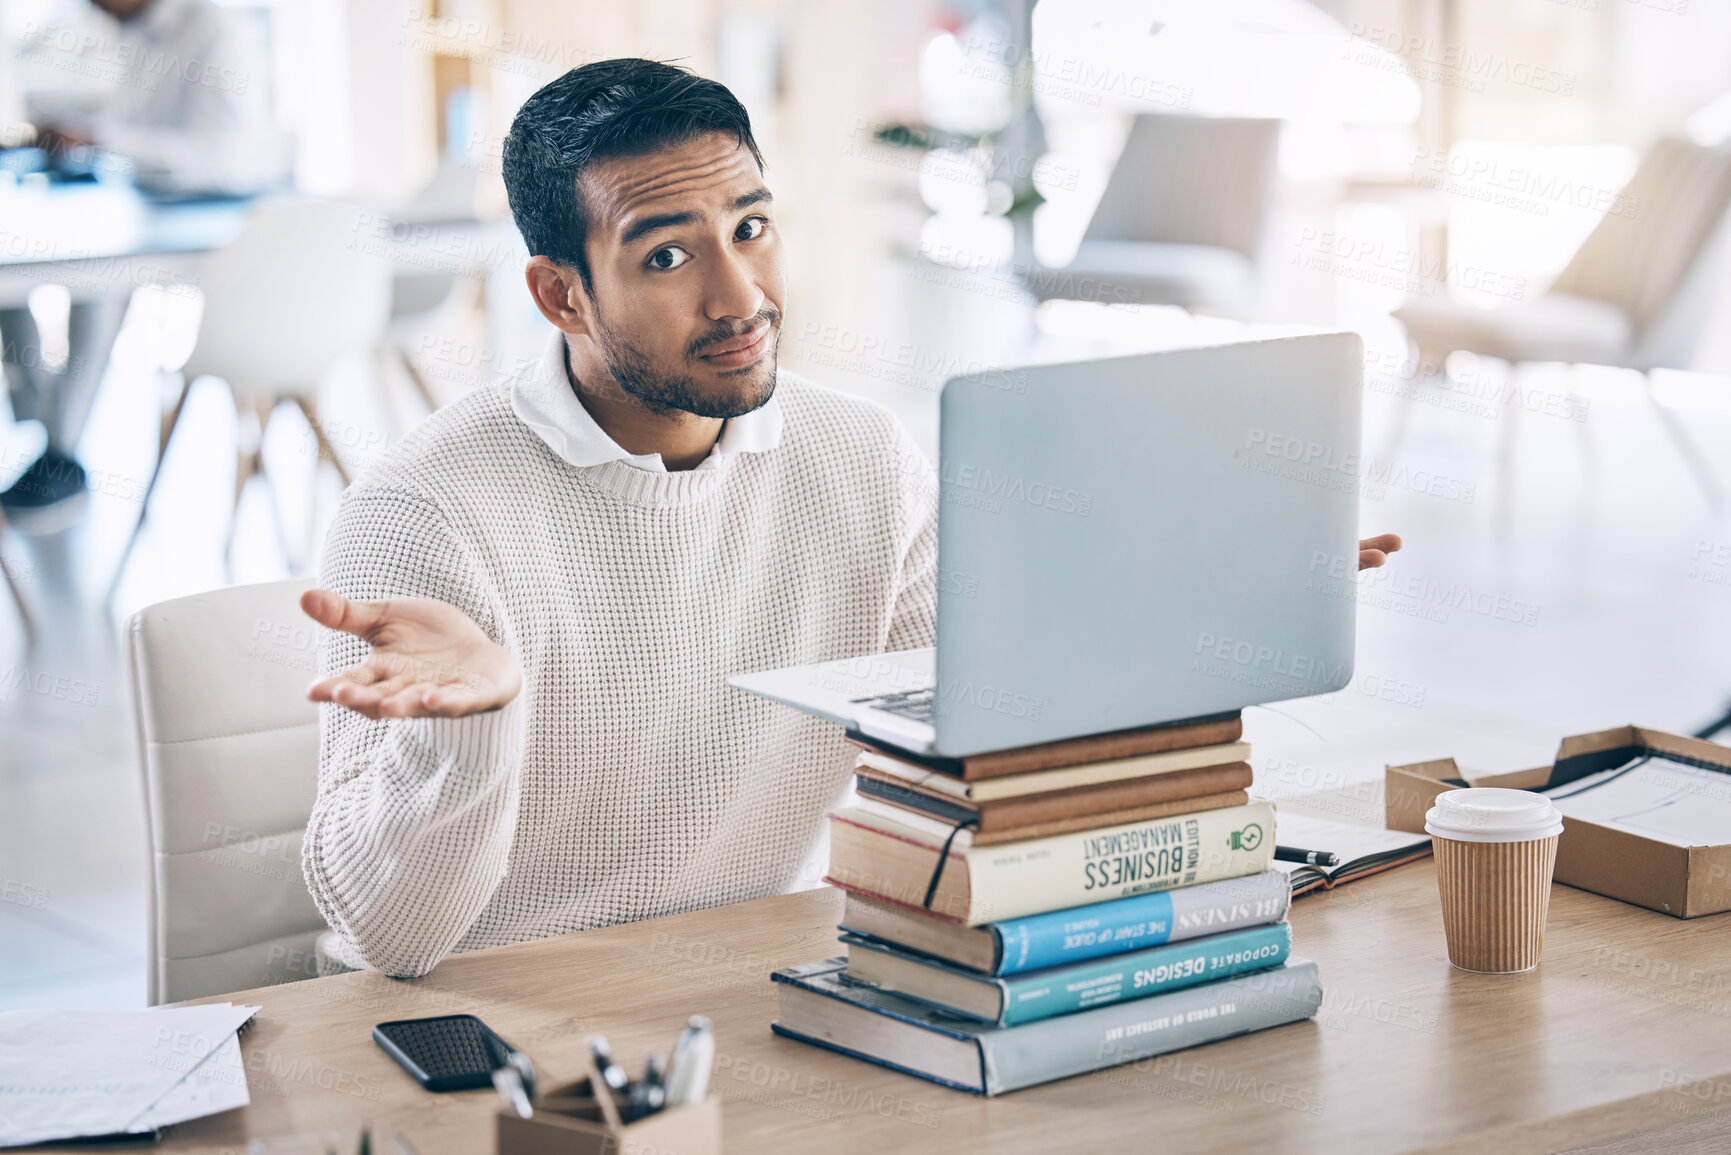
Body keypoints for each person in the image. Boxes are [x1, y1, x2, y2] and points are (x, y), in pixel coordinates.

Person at [298, 58, 1403, 979]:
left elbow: (972, 717)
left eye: (753, 227)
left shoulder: (856, 454)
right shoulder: (424, 516)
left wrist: (1181, 609)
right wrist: (475, 730)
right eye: (669, 256)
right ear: (562, 295)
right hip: (491, 1020)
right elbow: (389, 938)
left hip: (742, 983)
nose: (740, 299)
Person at [0, 0, 289, 529]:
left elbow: (225, 159)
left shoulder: (213, 27)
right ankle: (51, 440)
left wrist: (106, 140)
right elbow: (134, 126)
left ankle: (57, 451)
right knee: (27, 277)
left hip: (222, 221)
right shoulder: (131, 31)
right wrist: (93, 134)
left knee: (98, 275)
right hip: (151, 206)